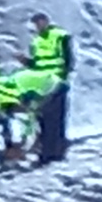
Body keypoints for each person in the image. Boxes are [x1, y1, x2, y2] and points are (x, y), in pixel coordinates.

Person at [26, 14, 74, 164]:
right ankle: (46, 152)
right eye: (36, 24)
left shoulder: (60, 36)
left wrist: (61, 79)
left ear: (46, 22)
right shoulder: (36, 41)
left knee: (56, 119)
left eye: (40, 22)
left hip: (57, 84)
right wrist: (26, 62)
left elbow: (68, 60)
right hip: (42, 85)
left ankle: (57, 152)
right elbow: (37, 64)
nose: (38, 26)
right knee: (43, 120)